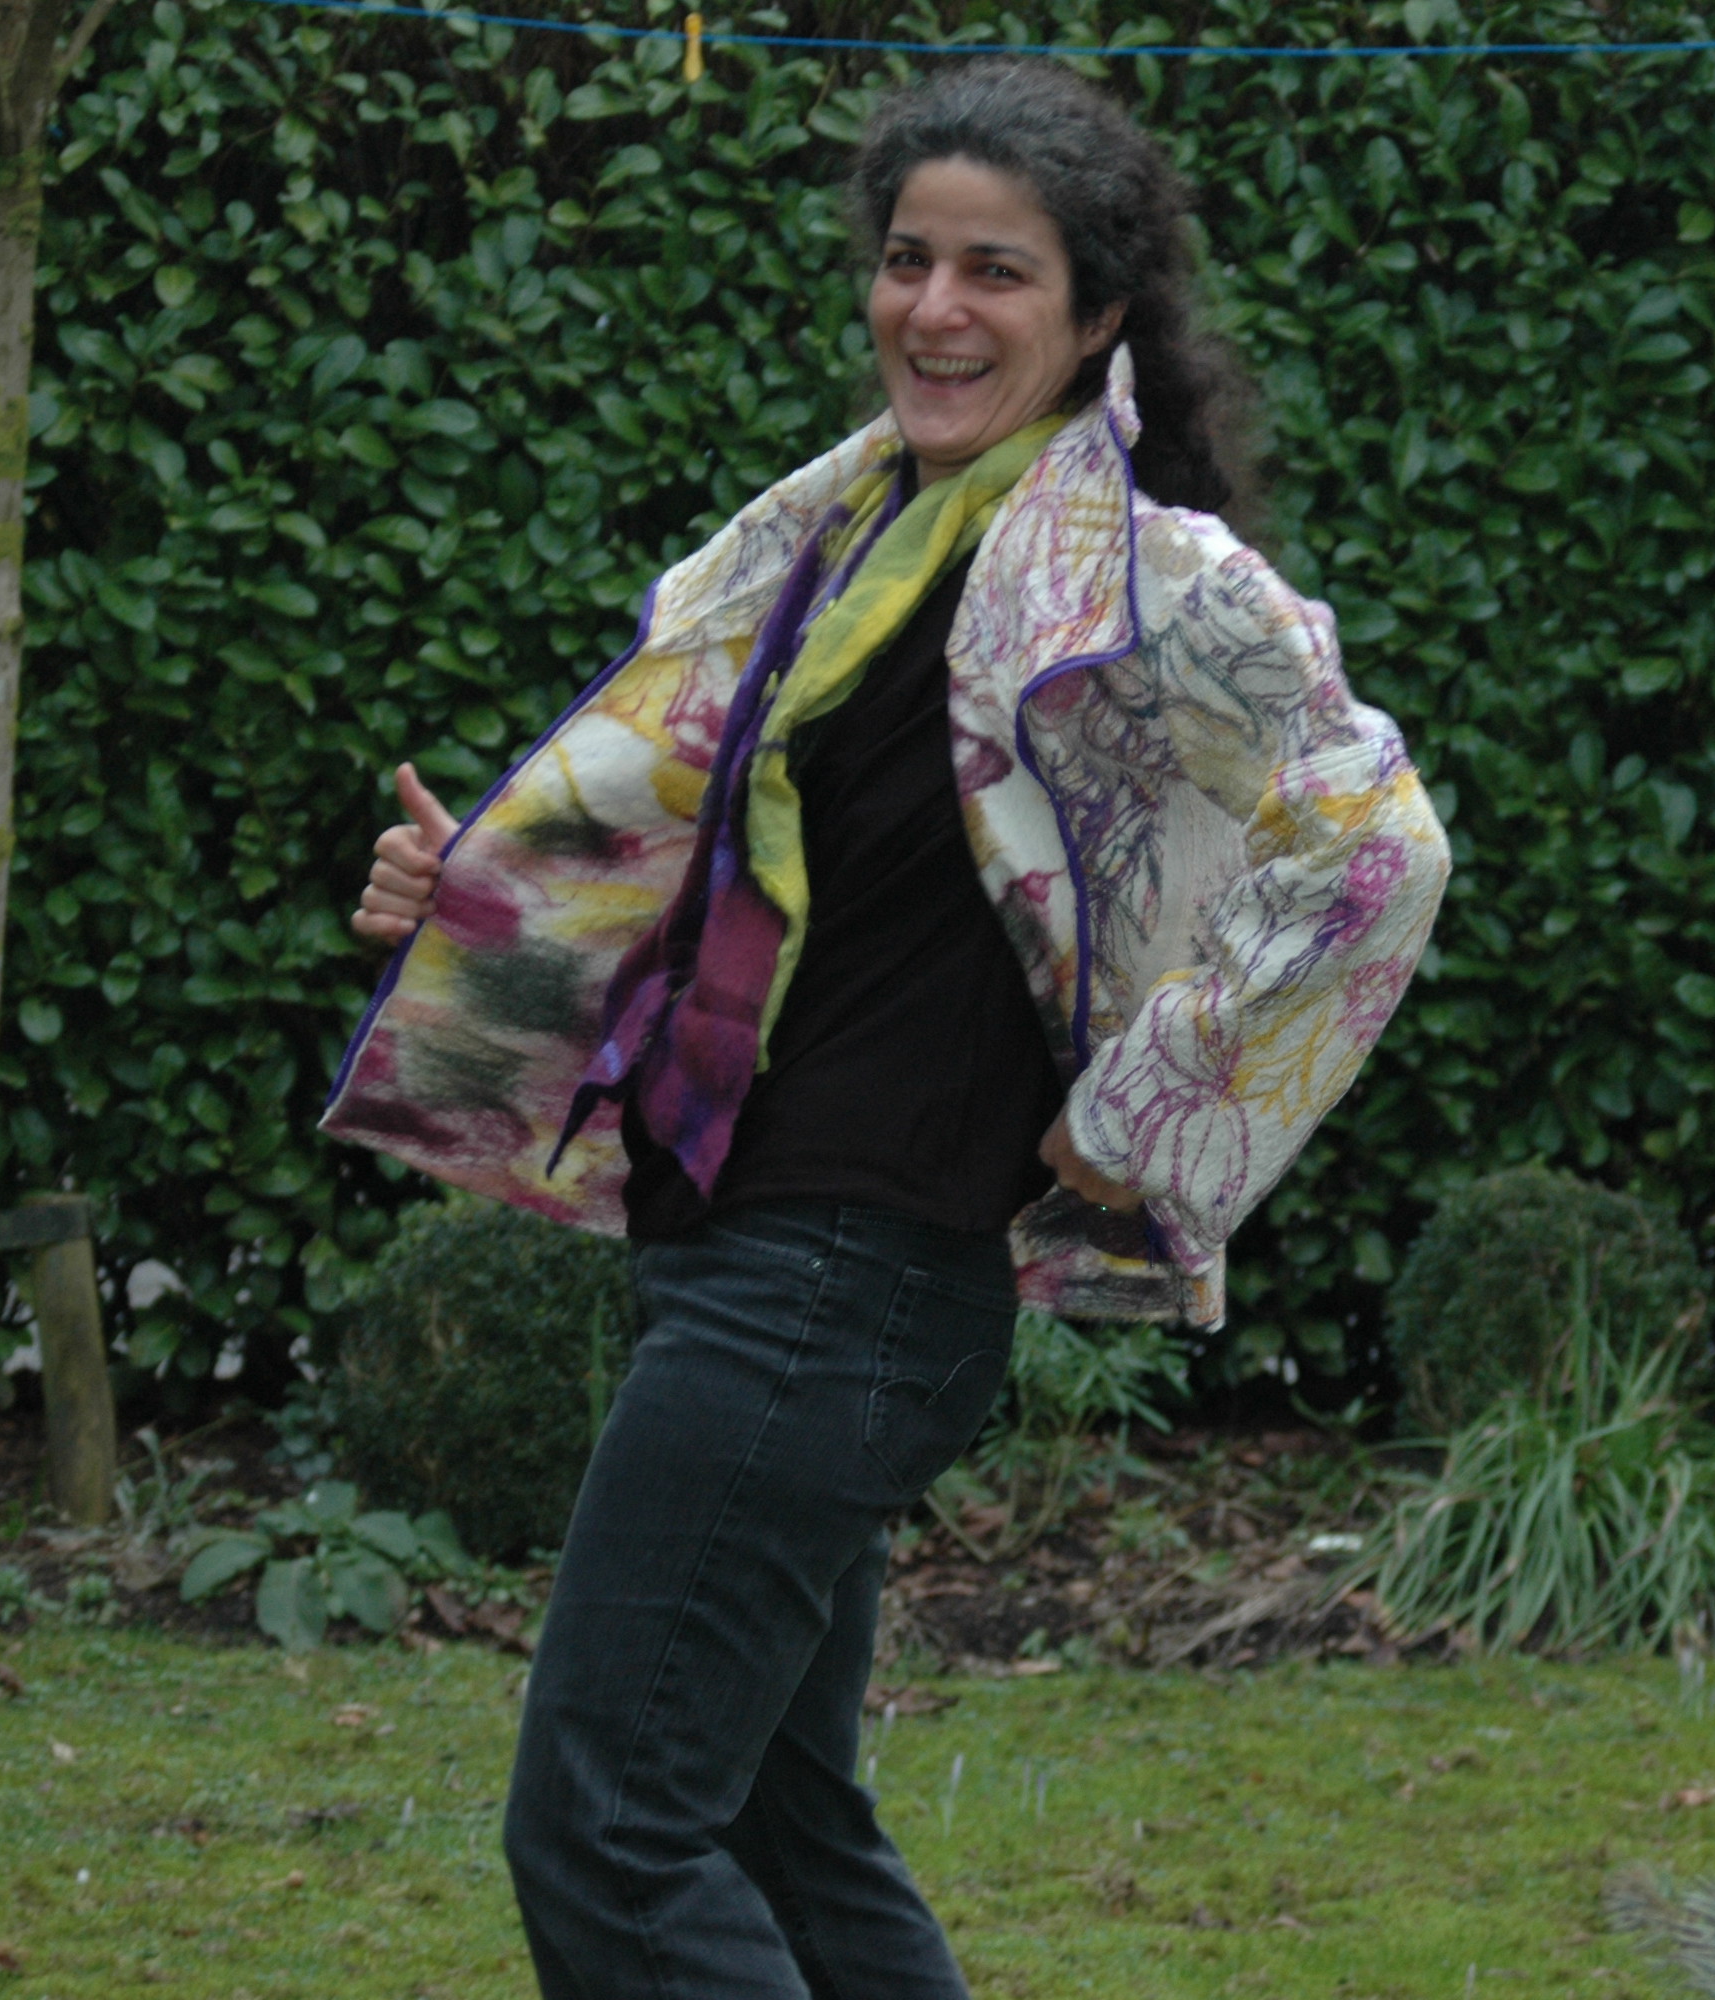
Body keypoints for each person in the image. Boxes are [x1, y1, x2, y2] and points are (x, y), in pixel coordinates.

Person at [325, 58, 1447, 2000]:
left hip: (843, 1274)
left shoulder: (1137, 583)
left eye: (997, 272)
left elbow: (1376, 844)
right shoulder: (830, 545)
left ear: (1096, 317)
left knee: (605, 1826)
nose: (935, 308)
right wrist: (489, 890)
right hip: (746, 1243)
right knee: (777, 1824)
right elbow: (755, 874)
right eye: (909, 259)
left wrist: (1150, 1106)